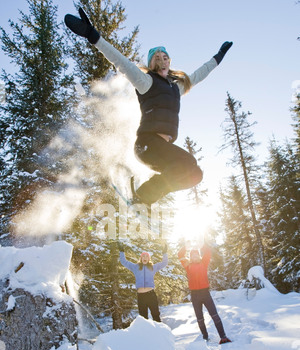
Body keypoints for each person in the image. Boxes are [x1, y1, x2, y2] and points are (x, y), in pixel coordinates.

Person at [65, 8, 233, 205]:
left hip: (162, 150)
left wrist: (218, 57)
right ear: (152, 63)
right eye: (157, 58)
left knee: (195, 174)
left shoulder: (176, 88)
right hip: (147, 145)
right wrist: (94, 37)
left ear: (169, 62)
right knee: (188, 163)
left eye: (165, 57)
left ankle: (144, 200)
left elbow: (198, 75)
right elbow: (120, 61)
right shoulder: (145, 81)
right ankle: (143, 194)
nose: (162, 60)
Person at [178, 241, 231, 344]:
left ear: (199, 255)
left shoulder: (204, 263)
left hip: (205, 294)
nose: (195, 257)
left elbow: (208, 252)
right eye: (192, 256)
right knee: (200, 318)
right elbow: (180, 255)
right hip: (195, 295)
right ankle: (205, 337)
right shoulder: (187, 265)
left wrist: (201, 244)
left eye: (196, 255)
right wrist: (186, 246)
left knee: (214, 315)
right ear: (190, 257)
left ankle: (223, 336)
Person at [118, 243, 168, 322]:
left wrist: (164, 253)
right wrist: (121, 251)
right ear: (141, 258)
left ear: (149, 259)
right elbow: (124, 261)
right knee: (143, 318)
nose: (145, 258)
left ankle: (159, 333)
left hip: (151, 295)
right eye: (143, 256)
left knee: (156, 315)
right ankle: (145, 333)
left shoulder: (153, 267)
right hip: (141, 296)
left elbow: (164, 263)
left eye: (146, 256)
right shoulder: (135, 267)